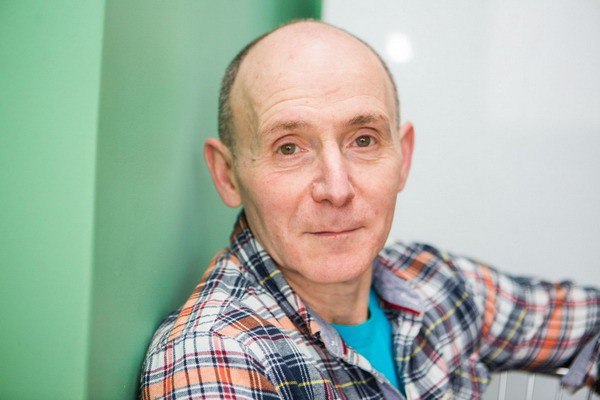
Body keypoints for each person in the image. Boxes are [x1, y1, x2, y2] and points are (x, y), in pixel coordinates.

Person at [140, 20, 600, 399]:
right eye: (289, 148)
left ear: (404, 158)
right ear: (228, 175)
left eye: (363, 140)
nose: (337, 189)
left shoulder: (436, 284)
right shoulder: (215, 355)